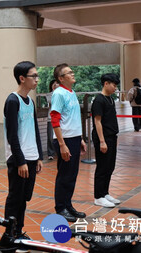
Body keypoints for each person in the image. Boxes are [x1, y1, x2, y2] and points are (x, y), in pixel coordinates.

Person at [3, 61, 43, 238]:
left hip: (32, 157)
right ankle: (10, 234)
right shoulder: (13, 100)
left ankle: (19, 231)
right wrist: (20, 161)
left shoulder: (31, 102)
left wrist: (39, 156)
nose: (37, 79)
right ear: (21, 78)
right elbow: (12, 135)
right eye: (33, 76)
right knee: (15, 198)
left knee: (24, 198)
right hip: (19, 158)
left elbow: (34, 129)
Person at [50, 63, 86, 223]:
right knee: (65, 174)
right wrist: (62, 144)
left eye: (72, 71)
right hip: (64, 139)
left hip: (74, 138)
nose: (72, 74)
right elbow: (55, 119)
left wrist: (81, 139)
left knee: (72, 174)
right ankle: (61, 208)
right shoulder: (58, 94)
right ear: (61, 78)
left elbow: (73, 118)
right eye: (68, 73)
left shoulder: (71, 92)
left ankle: (68, 204)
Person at [92, 73, 121, 208]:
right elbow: (97, 122)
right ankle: (98, 196)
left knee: (110, 166)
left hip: (111, 136)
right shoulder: (99, 100)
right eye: (114, 85)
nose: (115, 88)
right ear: (106, 84)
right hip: (103, 138)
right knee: (102, 167)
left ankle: (105, 193)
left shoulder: (110, 99)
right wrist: (102, 141)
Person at [46, 80, 59, 160]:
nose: (55, 85)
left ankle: (58, 152)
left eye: (56, 84)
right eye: (53, 84)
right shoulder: (49, 95)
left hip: (60, 118)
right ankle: (50, 153)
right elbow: (52, 102)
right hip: (50, 118)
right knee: (50, 136)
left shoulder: (61, 93)